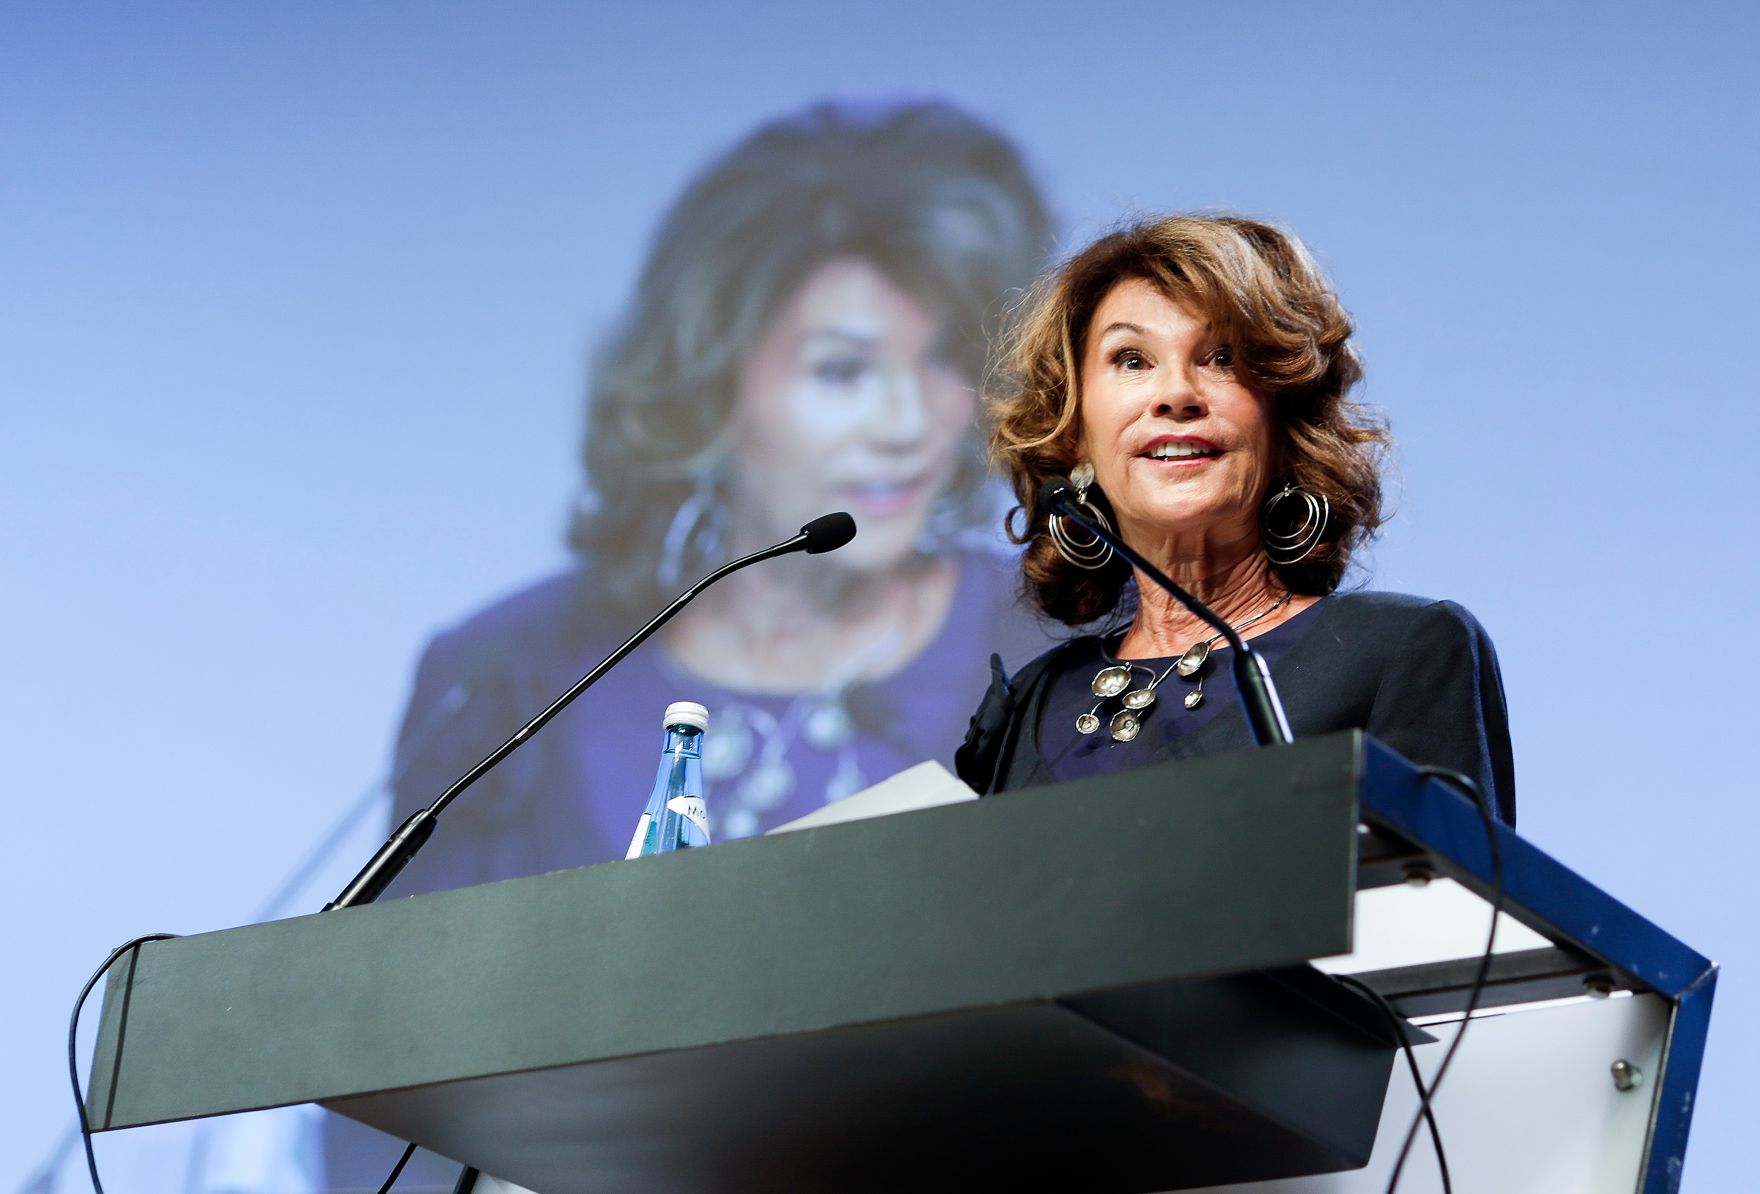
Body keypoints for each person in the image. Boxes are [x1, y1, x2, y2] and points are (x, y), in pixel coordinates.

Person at [319, 99, 1056, 1190]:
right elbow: (383, 1082)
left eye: (943, 359)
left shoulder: (1057, 635)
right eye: (843, 370)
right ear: (710, 389)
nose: (906, 419)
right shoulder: (517, 668)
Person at [956, 214, 1515, 822]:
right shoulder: (1034, 701)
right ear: (1075, 436)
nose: (1176, 395)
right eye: (1132, 360)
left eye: (1221, 358)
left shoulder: (1401, 652)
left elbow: (1438, 909)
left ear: (1285, 422)